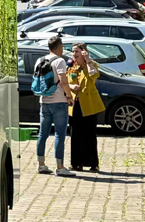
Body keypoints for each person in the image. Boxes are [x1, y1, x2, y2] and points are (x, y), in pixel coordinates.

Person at [35, 35, 74, 177]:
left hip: (44, 101)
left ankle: (41, 164)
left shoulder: (40, 60)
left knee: (42, 134)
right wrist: (69, 96)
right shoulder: (60, 61)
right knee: (59, 134)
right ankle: (60, 166)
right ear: (60, 47)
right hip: (59, 101)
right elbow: (63, 81)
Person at [67, 43, 105, 172]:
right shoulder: (72, 65)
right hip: (75, 104)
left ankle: (93, 164)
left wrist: (88, 60)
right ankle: (76, 163)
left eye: (77, 52)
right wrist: (71, 87)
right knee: (75, 135)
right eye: (73, 52)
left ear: (84, 52)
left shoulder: (91, 64)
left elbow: (94, 75)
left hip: (89, 104)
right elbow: (66, 81)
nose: (74, 54)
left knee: (89, 135)